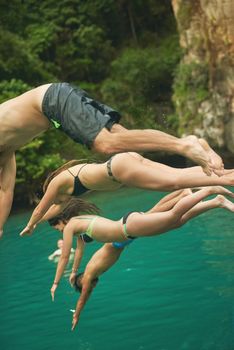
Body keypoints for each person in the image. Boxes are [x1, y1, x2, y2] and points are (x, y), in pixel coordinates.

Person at [0, 82, 225, 236]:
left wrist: (31, 224)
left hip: (51, 102)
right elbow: (6, 191)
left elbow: (33, 204)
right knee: (126, 143)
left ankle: (183, 145)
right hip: (56, 100)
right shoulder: (7, 151)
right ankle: (197, 146)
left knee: (105, 144)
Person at [48, 186, 234, 330]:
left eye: (58, 228)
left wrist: (76, 314)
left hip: (127, 229)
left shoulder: (88, 275)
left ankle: (209, 192)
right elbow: (79, 250)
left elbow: (71, 266)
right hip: (126, 230)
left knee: (173, 217)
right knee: (166, 217)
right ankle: (202, 198)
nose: (60, 232)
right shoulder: (80, 226)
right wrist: (72, 272)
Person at [19, 152, 234, 237]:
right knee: (177, 174)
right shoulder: (65, 184)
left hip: (119, 171)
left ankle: (221, 183)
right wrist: (36, 223)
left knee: (174, 182)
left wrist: (30, 225)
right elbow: (49, 211)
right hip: (123, 160)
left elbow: (41, 208)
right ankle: (224, 174)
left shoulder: (56, 185)